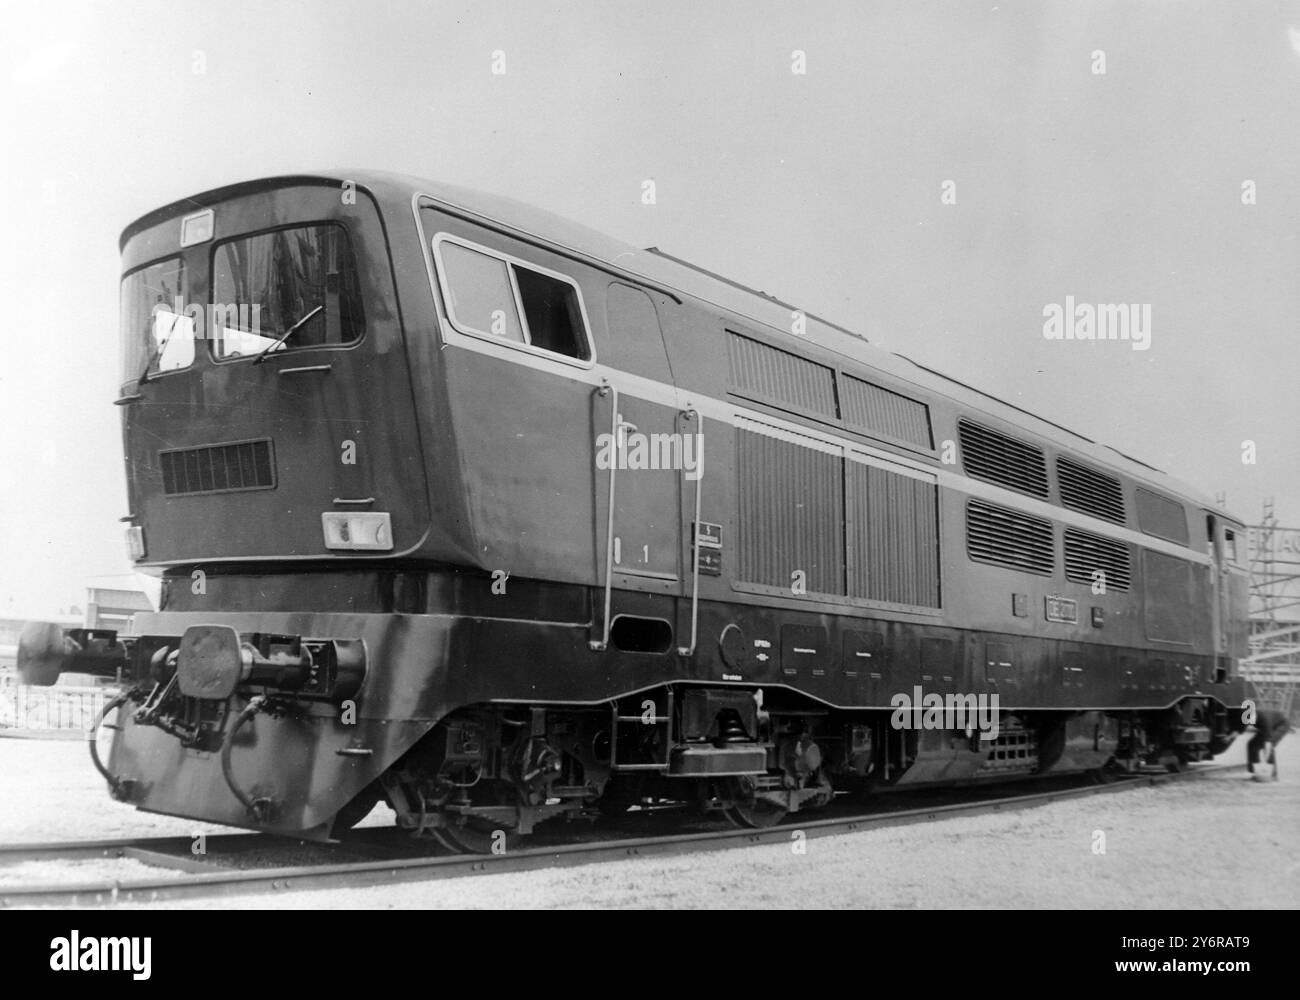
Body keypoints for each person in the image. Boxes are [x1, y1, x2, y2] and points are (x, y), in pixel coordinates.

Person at [1247, 708, 1290, 781]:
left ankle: (1273, 775)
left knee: (1269, 745)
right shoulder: (1248, 716)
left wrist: (1265, 762)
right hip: (1269, 725)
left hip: (1282, 725)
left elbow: (1268, 742)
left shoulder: (1265, 721)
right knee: (1252, 744)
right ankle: (1256, 772)